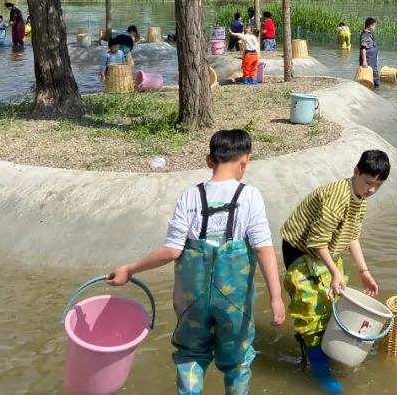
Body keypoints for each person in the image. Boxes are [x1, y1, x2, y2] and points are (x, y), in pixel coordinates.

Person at [106, 129, 285, 395]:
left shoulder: (189, 196)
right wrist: (276, 297)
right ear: (245, 160)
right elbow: (263, 250)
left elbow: (171, 251)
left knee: (190, 354)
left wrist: (129, 269)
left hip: (193, 297)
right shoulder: (249, 196)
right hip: (233, 300)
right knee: (237, 359)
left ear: (208, 160)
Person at [280, 150, 390, 393]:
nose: (372, 190)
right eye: (368, 182)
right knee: (311, 307)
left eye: (378, 186)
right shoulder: (336, 198)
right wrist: (335, 272)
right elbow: (316, 242)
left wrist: (363, 271)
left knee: (333, 301)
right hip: (301, 250)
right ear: (355, 172)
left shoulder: (360, 198)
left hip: (326, 249)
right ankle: (317, 365)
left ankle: (319, 347)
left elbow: (352, 235)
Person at [359, 18, 380, 89]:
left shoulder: (369, 34)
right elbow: (363, 48)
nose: (375, 28)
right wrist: (364, 61)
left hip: (373, 60)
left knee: (375, 76)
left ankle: (376, 91)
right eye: (374, 26)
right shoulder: (365, 35)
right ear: (370, 26)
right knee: (368, 78)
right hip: (368, 61)